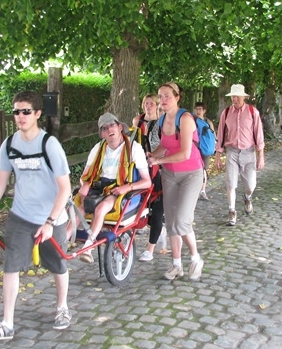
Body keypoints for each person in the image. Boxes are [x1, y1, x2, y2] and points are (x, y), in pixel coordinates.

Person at [0, 91, 72, 341]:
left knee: (57, 265)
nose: (20, 116)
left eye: (26, 111)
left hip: (51, 217)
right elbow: (0, 180)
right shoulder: (9, 145)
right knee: (11, 266)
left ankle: (62, 308)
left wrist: (50, 222)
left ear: (37, 114)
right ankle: (7, 323)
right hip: (21, 215)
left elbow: (65, 188)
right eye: (16, 111)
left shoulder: (49, 144)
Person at [75, 112, 152, 263]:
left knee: (100, 208)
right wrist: (85, 185)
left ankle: (88, 246)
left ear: (119, 127)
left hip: (119, 189)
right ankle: (62, 243)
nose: (109, 129)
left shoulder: (133, 148)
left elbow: (147, 182)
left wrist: (127, 187)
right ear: (102, 134)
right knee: (79, 207)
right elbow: (85, 175)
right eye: (105, 128)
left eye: (112, 125)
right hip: (99, 186)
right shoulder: (98, 148)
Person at [147, 82, 204, 281]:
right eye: (160, 96)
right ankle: (177, 265)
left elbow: (184, 153)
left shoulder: (186, 119)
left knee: (182, 220)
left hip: (191, 174)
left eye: (167, 96)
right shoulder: (163, 120)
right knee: (171, 221)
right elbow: (164, 145)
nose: (163, 100)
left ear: (177, 97)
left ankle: (196, 258)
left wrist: (159, 160)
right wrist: (150, 156)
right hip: (169, 175)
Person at [215, 84, 265, 226]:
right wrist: (218, 156)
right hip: (232, 152)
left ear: (244, 97)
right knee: (231, 183)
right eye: (233, 96)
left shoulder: (252, 112)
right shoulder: (226, 113)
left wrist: (261, 156)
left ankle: (247, 197)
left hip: (249, 152)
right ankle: (232, 211)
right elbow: (220, 134)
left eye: (237, 96)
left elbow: (259, 134)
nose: (234, 99)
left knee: (251, 185)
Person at [132, 95, 165, 262]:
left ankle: (150, 249)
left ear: (157, 106)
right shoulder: (137, 121)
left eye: (152, 103)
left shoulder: (163, 122)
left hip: (159, 167)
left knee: (157, 207)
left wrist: (156, 158)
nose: (148, 106)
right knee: (141, 205)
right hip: (140, 167)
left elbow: (165, 145)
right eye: (146, 103)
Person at [193, 101, 215, 201]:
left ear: (204, 110)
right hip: (198, 148)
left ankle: (201, 190)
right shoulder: (195, 121)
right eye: (196, 109)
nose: (198, 111)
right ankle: (200, 190)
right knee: (199, 169)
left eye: (200, 109)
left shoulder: (207, 122)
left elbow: (213, 136)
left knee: (203, 169)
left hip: (203, 149)